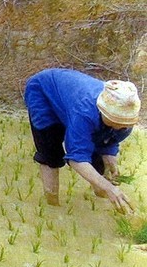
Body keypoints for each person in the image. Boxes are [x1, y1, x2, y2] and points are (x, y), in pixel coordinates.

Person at [24, 68, 141, 214]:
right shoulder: (84, 112)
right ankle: (52, 206)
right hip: (43, 94)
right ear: (103, 111)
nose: (120, 127)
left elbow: (109, 142)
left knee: (97, 159)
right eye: (115, 121)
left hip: (74, 103)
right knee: (51, 154)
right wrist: (109, 188)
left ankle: (103, 200)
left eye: (124, 124)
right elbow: (76, 159)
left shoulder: (126, 120)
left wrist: (110, 157)